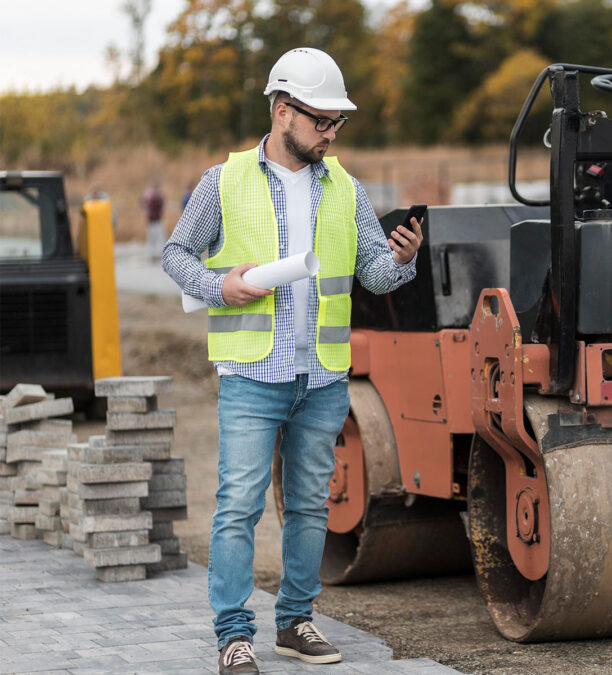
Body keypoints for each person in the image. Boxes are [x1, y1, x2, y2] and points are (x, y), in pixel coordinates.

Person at [161, 47, 424, 675]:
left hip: (322, 377)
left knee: (310, 504)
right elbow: (176, 256)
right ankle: (233, 634)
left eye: (338, 124)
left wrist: (405, 260)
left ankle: (296, 621)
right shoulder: (223, 182)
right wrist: (223, 286)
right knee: (238, 507)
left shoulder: (349, 192)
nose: (332, 134)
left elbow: (375, 276)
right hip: (251, 375)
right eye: (322, 121)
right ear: (283, 112)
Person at [141, 180, 165, 260]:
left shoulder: (148, 196)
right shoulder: (154, 197)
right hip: (154, 221)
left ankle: (153, 254)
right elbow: (160, 203)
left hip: (153, 220)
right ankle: (154, 254)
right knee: (157, 238)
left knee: (155, 239)